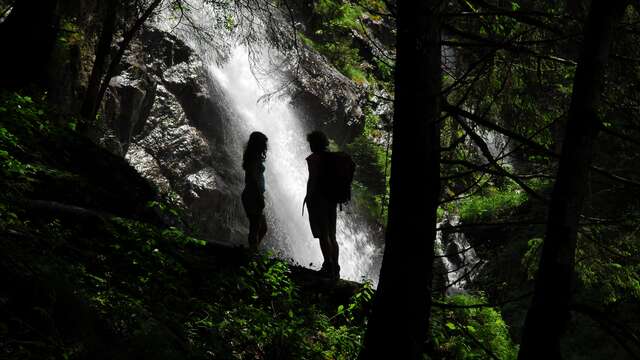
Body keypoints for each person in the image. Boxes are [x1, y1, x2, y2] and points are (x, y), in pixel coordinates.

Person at [304, 130, 340, 279]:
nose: (310, 146)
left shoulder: (313, 159)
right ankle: (336, 267)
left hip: (318, 200)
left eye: (311, 143)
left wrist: (308, 199)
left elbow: (312, 181)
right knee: (332, 235)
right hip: (332, 200)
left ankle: (328, 265)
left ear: (314, 143)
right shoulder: (334, 158)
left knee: (323, 235)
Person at [242, 131, 268, 251]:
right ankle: (252, 253)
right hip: (252, 194)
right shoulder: (253, 158)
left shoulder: (253, 157)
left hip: (252, 193)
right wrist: (259, 196)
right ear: (258, 144)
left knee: (262, 227)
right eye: (264, 143)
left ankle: (253, 249)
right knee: (255, 226)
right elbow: (252, 179)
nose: (266, 146)